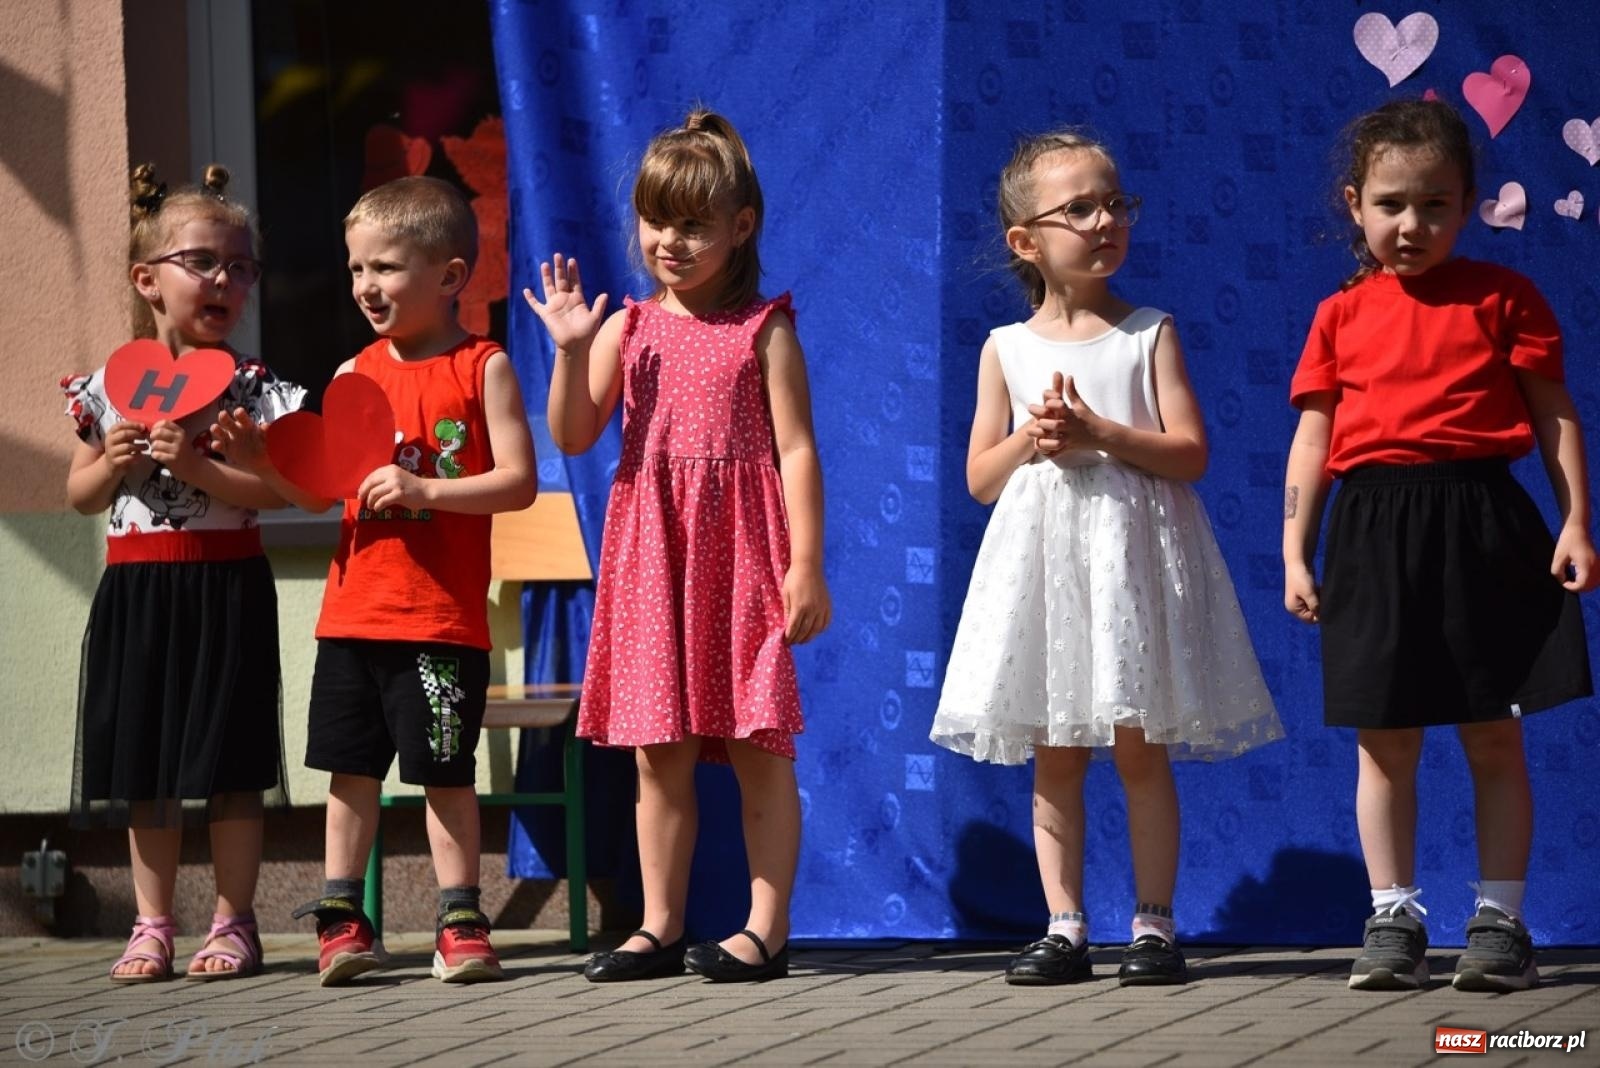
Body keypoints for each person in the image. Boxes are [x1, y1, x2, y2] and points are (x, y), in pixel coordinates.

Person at [929, 131, 1282, 987]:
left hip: (1127, 562)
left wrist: (1101, 434)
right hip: (1047, 569)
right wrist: (1032, 438)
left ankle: (1154, 925)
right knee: (1056, 746)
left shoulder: (1148, 332)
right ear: (1026, 241)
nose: (1104, 220)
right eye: (1078, 208)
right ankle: (1063, 924)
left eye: (1115, 202)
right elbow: (980, 478)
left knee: (1136, 744)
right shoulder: (1005, 349)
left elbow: (1190, 451)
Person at [1283, 98, 1596, 993]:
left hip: (1483, 525)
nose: (1411, 224)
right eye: (1390, 204)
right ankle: (1393, 920)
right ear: (1355, 204)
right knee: (1384, 743)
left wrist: (1576, 522)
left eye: (1434, 205)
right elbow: (1314, 438)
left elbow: (1554, 416)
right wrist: (1295, 549)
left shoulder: (1507, 299)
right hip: (1372, 532)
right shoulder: (1338, 316)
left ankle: (1500, 923)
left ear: (1468, 206)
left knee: (1493, 736)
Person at [525, 108, 830, 983]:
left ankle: (766, 929)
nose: (672, 240)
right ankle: (658, 925)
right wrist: (571, 350)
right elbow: (576, 432)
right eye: (659, 221)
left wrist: (805, 563)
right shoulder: (629, 327)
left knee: (756, 745)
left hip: (742, 556)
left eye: (694, 224)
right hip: (654, 557)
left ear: (741, 228)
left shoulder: (766, 329)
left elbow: (798, 449)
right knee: (659, 754)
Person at [215, 176, 537, 985]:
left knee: (444, 774)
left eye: (387, 269)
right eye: (357, 268)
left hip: (439, 624)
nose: (365, 286)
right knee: (349, 770)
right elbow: (319, 492)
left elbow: (519, 483)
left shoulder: (482, 365)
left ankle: (460, 921)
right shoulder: (353, 371)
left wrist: (427, 490)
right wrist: (266, 463)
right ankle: (342, 921)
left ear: (451, 276)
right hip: (353, 616)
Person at [64, 163, 306, 981]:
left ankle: (235, 922)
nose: (223, 280)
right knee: (148, 769)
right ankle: (152, 923)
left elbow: (283, 489)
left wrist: (207, 471)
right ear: (148, 281)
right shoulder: (110, 386)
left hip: (226, 587)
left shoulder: (254, 388)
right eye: (201, 262)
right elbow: (79, 494)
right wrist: (113, 459)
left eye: (240, 267)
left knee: (233, 767)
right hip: (139, 592)